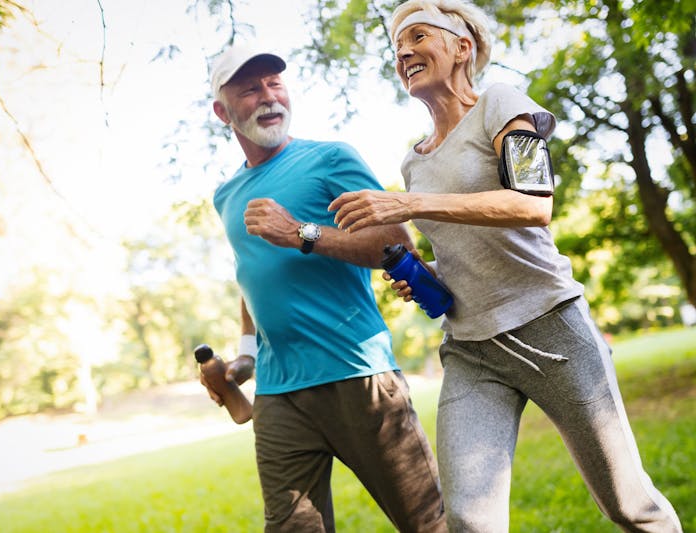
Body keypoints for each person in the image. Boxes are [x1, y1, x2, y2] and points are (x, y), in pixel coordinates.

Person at [328, 1, 684, 532]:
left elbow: (533, 203)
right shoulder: (415, 160)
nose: (403, 53)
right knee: (470, 519)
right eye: (396, 48)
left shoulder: (503, 104)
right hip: (473, 351)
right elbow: (461, 242)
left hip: (552, 330)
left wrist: (409, 204)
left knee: (630, 505)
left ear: (462, 48)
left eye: (418, 37)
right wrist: (426, 276)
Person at [202, 42, 447, 532]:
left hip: (357, 374)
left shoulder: (330, 159)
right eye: (250, 90)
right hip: (279, 393)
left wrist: (301, 234)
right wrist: (246, 356)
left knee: (427, 524)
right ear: (221, 111)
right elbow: (252, 276)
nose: (268, 97)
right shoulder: (225, 195)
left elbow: (395, 245)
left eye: (274, 84)